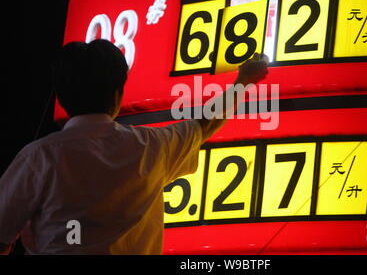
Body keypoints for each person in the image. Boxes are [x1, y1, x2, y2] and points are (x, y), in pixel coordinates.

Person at [0, 39, 269, 254]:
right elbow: (204, 124)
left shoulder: (38, 157)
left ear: (60, 96)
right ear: (118, 92)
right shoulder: (151, 147)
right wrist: (243, 81)